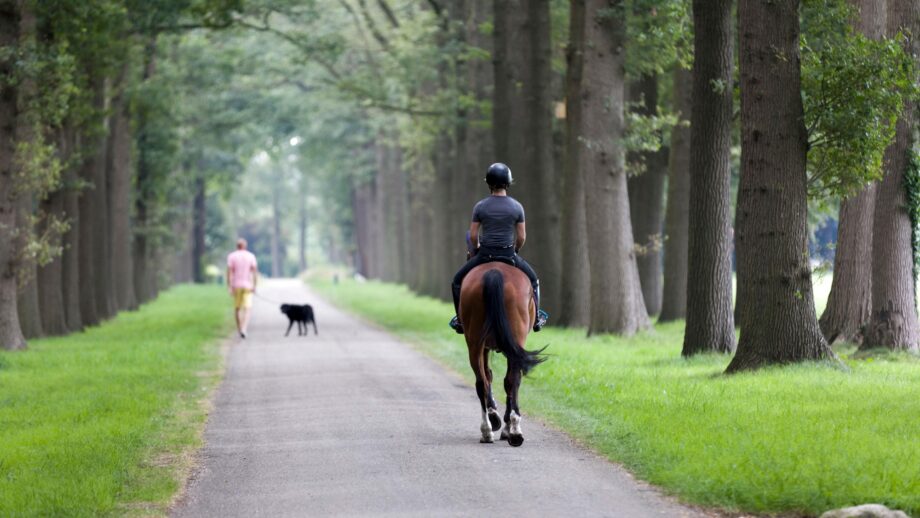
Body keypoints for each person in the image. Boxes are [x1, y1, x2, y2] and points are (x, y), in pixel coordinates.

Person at [449, 162, 548, 334]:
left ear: (488, 183)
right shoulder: (517, 207)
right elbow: (522, 237)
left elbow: (473, 236)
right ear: (508, 182)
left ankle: (460, 319)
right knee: (533, 281)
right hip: (508, 255)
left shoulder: (480, 206)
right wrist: (515, 249)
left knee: (457, 281)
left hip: (485, 254)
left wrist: (478, 247)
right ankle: (537, 317)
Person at [227, 238, 258, 338]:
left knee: (237, 308)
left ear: (237, 246)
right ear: (245, 246)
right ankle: (244, 328)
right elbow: (254, 272)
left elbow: (230, 272)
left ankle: (239, 329)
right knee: (247, 308)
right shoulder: (251, 256)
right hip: (247, 286)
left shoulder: (232, 256)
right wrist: (254, 285)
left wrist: (230, 286)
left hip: (236, 285)